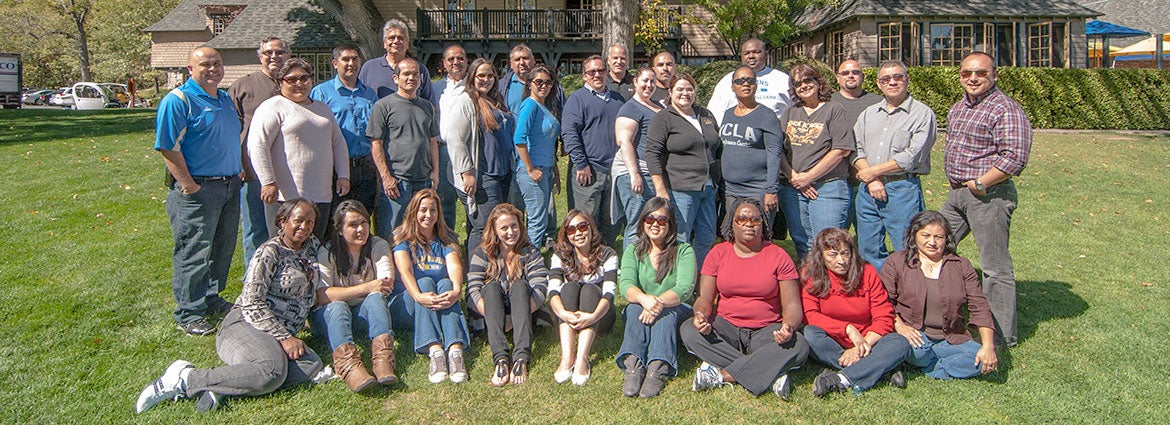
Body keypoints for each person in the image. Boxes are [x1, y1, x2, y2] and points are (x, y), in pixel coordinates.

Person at [136, 200, 324, 413]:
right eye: (298, 220)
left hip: (276, 335)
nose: (305, 227)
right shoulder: (270, 252)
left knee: (311, 364)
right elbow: (252, 303)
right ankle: (184, 378)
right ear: (282, 221)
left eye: (310, 222)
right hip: (245, 324)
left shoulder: (311, 248)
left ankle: (224, 386)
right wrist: (284, 337)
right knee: (272, 371)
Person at [941, 51, 1032, 348]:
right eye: (966, 73)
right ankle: (938, 314)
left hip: (988, 196)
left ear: (994, 75)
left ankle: (1002, 335)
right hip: (957, 193)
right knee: (934, 246)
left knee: (994, 267)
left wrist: (982, 182)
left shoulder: (1005, 109)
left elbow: (1015, 156)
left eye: (980, 73)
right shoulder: (958, 108)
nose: (973, 78)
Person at [681, 198, 808, 400]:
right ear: (732, 222)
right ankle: (769, 370)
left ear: (763, 224)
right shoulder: (718, 253)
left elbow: (792, 304)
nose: (749, 224)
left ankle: (722, 375)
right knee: (689, 330)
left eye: (755, 220)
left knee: (799, 344)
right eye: (742, 219)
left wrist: (789, 327)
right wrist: (700, 315)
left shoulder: (778, 255)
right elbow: (704, 297)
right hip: (726, 328)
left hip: (766, 332)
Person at [156, 46, 243, 336]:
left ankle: (211, 297)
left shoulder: (225, 98)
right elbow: (167, 146)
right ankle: (189, 312)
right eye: (205, 64)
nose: (213, 69)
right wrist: (189, 185)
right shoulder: (178, 100)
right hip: (198, 189)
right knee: (194, 250)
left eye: (217, 63)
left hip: (229, 185)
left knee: (222, 248)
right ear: (189, 69)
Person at [882, 211, 999, 379]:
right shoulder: (897, 262)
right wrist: (899, 325)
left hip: (950, 338)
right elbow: (883, 301)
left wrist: (988, 346)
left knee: (979, 360)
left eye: (939, 237)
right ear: (914, 235)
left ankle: (926, 367)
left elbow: (979, 306)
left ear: (946, 239)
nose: (932, 242)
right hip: (914, 335)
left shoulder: (961, 265)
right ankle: (930, 363)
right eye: (926, 235)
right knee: (917, 351)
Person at [248, 58, 350, 241]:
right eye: (291, 79)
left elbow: (338, 144)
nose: (299, 84)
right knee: (284, 247)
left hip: (320, 194)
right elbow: (257, 145)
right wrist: (268, 181)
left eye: (304, 78)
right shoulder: (273, 106)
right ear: (280, 83)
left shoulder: (322, 109)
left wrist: (343, 175)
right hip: (286, 196)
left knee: (315, 246)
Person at [800, 228, 910, 397]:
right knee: (809, 334)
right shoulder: (811, 273)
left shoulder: (867, 272)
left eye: (845, 253)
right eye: (833, 255)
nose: (841, 261)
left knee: (899, 343)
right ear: (820, 256)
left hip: (868, 341)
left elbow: (884, 315)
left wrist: (861, 346)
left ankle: (840, 378)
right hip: (833, 339)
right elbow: (810, 315)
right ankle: (879, 369)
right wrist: (848, 329)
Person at [852, 60, 937, 270]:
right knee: (868, 248)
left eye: (897, 77)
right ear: (879, 84)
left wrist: (872, 173)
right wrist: (872, 180)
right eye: (886, 79)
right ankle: (879, 294)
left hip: (902, 190)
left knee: (906, 246)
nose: (892, 82)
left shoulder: (923, 114)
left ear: (907, 80)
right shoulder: (868, 114)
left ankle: (907, 295)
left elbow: (911, 157)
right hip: (867, 191)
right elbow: (856, 149)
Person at [310, 200, 396, 392]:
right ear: (340, 229)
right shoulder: (328, 251)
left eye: (364, 223)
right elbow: (323, 296)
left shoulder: (378, 245)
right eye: (353, 225)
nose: (361, 229)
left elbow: (384, 285)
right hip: (328, 318)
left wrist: (369, 290)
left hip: (361, 315)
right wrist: (366, 288)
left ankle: (383, 359)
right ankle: (348, 366)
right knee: (338, 305)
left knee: (376, 298)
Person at [615, 197, 696, 398]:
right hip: (643, 306)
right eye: (650, 219)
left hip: (677, 308)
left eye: (662, 220)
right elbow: (625, 284)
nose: (655, 224)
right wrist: (645, 300)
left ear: (670, 224)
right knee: (633, 308)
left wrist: (657, 303)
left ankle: (658, 368)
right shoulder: (634, 251)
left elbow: (685, 288)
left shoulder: (684, 250)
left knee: (665, 314)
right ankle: (633, 365)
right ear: (643, 222)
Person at [391, 189, 471, 384]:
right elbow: (406, 272)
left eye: (433, 210)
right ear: (413, 212)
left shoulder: (446, 238)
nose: (428, 215)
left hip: (437, 301)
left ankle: (454, 350)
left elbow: (454, 266)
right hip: (407, 304)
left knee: (446, 283)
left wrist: (456, 290)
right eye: (423, 210)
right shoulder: (402, 238)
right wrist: (418, 296)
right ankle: (434, 350)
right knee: (424, 282)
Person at [467, 203, 549, 386]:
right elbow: (472, 290)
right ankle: (501, 359)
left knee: (520, 285)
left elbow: (541, 289)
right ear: (494, 231)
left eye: (514, 226)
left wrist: (514, 319)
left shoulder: (530, 252)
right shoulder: (482, 253)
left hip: (523, 307)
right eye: (504, 228)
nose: (510, 232)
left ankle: (521, 357)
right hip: (492, 309)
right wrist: (495, 319)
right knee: (491, 287)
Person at [645, 72, 722, 267]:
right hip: (680, 189)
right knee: (681, 237)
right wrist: (660, 189)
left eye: (689, 89)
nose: (685, 93)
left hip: (708, 188)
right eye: (679, 89)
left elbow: (717, 147)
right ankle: (678, 281)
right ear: (670, 92)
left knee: (707, 236)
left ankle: (699, 280)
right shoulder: (663, 118)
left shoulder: (705, 115)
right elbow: (652, 154)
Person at [779, 64, 855, 260]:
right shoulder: (789, 112)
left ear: (817, 82)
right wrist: (795, 177)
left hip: (827, 187)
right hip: (793, 188)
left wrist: (810, 177)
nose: (803, 86)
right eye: (797, 84)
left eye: (808, 80)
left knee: (828, 242)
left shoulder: (834, 109)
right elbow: (778, 150)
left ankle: (831, 286)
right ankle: (810, 285)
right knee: (801, 240)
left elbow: (841, 149)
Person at [231, 37, 289, 273]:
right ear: (260, 56)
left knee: (283, 232)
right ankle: (253, 283)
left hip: (288, 174)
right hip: (254, 174)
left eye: (280, 52)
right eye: (268, 53)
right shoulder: (244, 86)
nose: (274, 56)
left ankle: (279, 280)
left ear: (288, 54)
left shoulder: (295, 84)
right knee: (256, 231)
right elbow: (232, 128)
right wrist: (238, 163)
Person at [367, 58, 441, 236]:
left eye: (416, 74)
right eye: (406, 74)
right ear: (395, 78)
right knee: (392, 232)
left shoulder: (427, 107)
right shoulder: (383, 106)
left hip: (422, 179)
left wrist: (435, 173)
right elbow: (376, 143)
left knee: (421, 232)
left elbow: (432, 141)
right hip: (397, 181)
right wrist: (386, 177)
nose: (411, 78)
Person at [451, 58, 515, 252]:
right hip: (483, 175)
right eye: (481, 75)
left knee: (499, 225)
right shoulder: (465, 101)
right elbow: (455, 138)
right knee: (484, 227)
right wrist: (466, 172)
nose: (486, 79)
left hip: (504, 172)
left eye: (490, 75)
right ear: (472, 77)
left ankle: (496, 269)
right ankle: (476, 275)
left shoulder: (496, 101)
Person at [548, 210, 618, 385]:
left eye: (582, 227)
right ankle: (567, 357)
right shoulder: (560, 255)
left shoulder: (608, 254)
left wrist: (593, 317)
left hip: (600, 315)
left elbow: (609, 294)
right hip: (571, 316)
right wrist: (564, 314)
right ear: (566, 234)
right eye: (571, 230)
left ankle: (582, 359)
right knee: (570, 287)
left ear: (591, 228)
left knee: (589, 289)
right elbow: (553, 292)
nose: (578, 233)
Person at [563, 55, 625, 246]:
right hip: (588, 170)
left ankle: (604, 255)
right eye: (592, 72)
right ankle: (583, 259)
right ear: (584, 76)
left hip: (614, 170)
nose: (597, 75)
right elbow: (569, 133)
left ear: (606, 72)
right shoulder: (577, 99)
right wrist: (581, 164)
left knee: (611, 220)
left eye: (600, 71)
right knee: (585, 220)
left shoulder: (617, 99)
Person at [310, 44, 380, 217]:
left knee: (363, 216)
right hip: (335, 167)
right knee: (336, 218)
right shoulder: (321, 93)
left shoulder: (369, 94)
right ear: (335, 63)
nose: (351, 63)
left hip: (365, 167)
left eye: (355, 59)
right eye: (345, 59)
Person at [718, 65, 785, 227]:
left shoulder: (767, 115)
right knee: (733, 234)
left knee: (758, 235)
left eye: (750, 80)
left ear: (756, 85)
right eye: (740, 81)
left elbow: (774, 153)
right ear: (733, 87)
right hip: (730, 190)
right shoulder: (728, 113)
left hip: (758, 189)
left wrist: (771, 190)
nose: (745, 84)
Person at [612, 66, 662, 250]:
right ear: (635, 82)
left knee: (652, 223)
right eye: (645, 81)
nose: (649, 85)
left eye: (652, 82)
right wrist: (635, 174)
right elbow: (624, 141)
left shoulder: (659, 106)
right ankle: (629, 273)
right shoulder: (630, 108)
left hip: (655, 172)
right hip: (635, 171)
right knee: (636, 223)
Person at [513, 64, 561, 249]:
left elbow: (548, 144)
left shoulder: (544, 107)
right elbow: (519, 139)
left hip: (547, 170)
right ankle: (530, 262)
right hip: (533, 172)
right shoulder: (529, 105)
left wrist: (555, 172)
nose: (543, 86)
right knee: (537, 221)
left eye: (548, 83)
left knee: (541, 219)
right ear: (530, 84)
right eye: (538, 82)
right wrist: (530, 169)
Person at [831, 59, 883, 231]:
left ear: (863, 76)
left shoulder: (878, 103)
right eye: (845, 73)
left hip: (868, 179)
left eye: (855, 72)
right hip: (836, 179)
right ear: (838, 78)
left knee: (869, 234)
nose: (850, 75)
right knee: (836, 233)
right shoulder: (828, 103)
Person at [707, 38, 792, 125]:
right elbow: (714, 113)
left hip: (773, 134)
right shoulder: (727, 81)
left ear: (766, 54)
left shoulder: (782, 80)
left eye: (756, 52)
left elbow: (796, 109)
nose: (751, 56)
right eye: (746, 53)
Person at [432, 44, 470, 231]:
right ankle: (449, 245)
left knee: (471, 200)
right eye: (451, 59)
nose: (456, 62)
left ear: (467, 61)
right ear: (444, 64)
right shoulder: (435, 88)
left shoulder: (474, 86)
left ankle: (475, 245)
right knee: (444, 202)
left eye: (460, 58)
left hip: (467, 151)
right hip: (442, 151)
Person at [359, 19, 435, 102]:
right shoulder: (369, 67)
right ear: (384, 43)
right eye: (391, 38)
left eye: (400, 38)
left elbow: (430, 104)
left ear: (408, 43)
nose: (396, 41)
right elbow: (359, 99)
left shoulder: (419, 69)